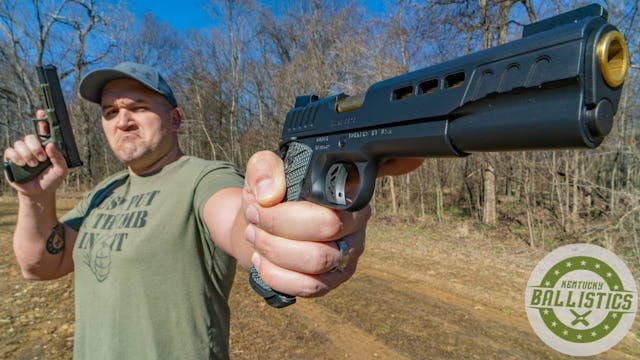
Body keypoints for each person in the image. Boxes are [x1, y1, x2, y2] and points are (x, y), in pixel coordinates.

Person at [4, 62, 423, 359]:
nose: (122, 120)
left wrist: (277, 232)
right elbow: (41, 265)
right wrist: (35, 196)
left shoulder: (204, 179)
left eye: (138, 107)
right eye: (111, 112)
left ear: (176, 118)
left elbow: (241, 225)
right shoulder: (103, 191)